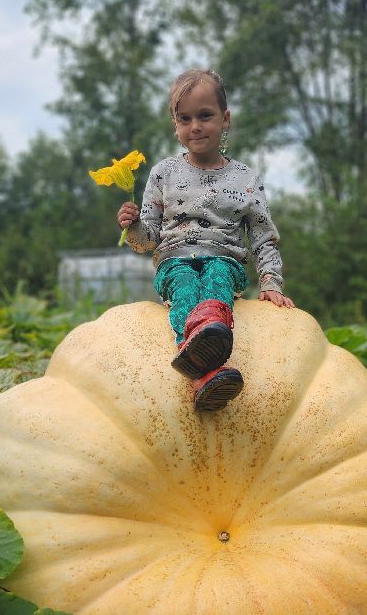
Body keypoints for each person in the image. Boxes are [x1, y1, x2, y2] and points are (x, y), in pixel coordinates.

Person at [117, 68, 294, 411]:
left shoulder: (245, 179)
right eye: (185, 118)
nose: (195, 126)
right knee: (184, 284)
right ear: (175, 125)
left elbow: (262, 238)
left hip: (224, 260)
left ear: (225, 119)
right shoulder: (163, 173)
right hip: (174, 261)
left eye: (205, 115)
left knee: (215, 280)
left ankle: (205, 357)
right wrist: (133, 226)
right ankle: (204, 367)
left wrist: (272, 282)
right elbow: (147, 239)